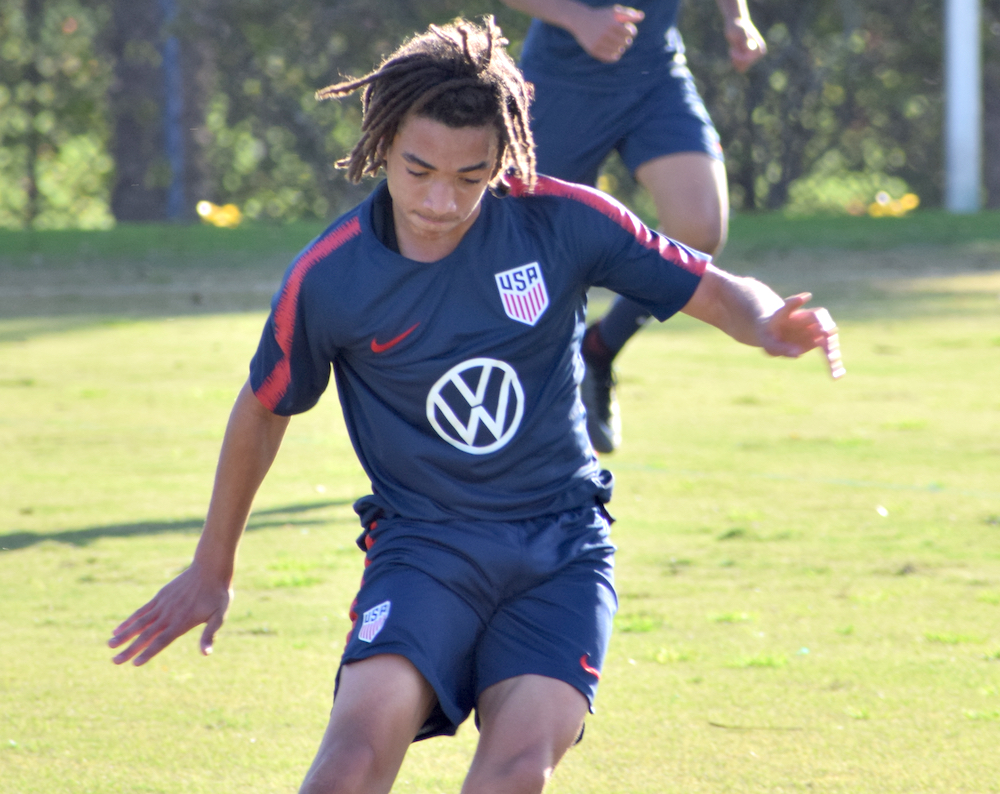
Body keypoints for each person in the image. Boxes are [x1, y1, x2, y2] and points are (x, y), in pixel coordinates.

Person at [108, 17, 842, 794]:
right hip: (425, 549)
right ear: (383, 143)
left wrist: (767, 321)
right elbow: (263, 409)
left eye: (472, 175)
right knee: (351, 762)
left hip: (561, 549)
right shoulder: (330, 279)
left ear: (507, 156)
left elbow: (714, 286)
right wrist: (212, 567)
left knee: (516, 774)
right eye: (420, 170)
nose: (442, 200)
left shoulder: (561, 219)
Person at [501, 0, 768, 452]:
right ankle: (509, 415)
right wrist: (578, 18)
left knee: (700, 229)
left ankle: (599, 349)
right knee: (522, 245)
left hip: (656, 80)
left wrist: (735, 17)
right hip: (560, 84)